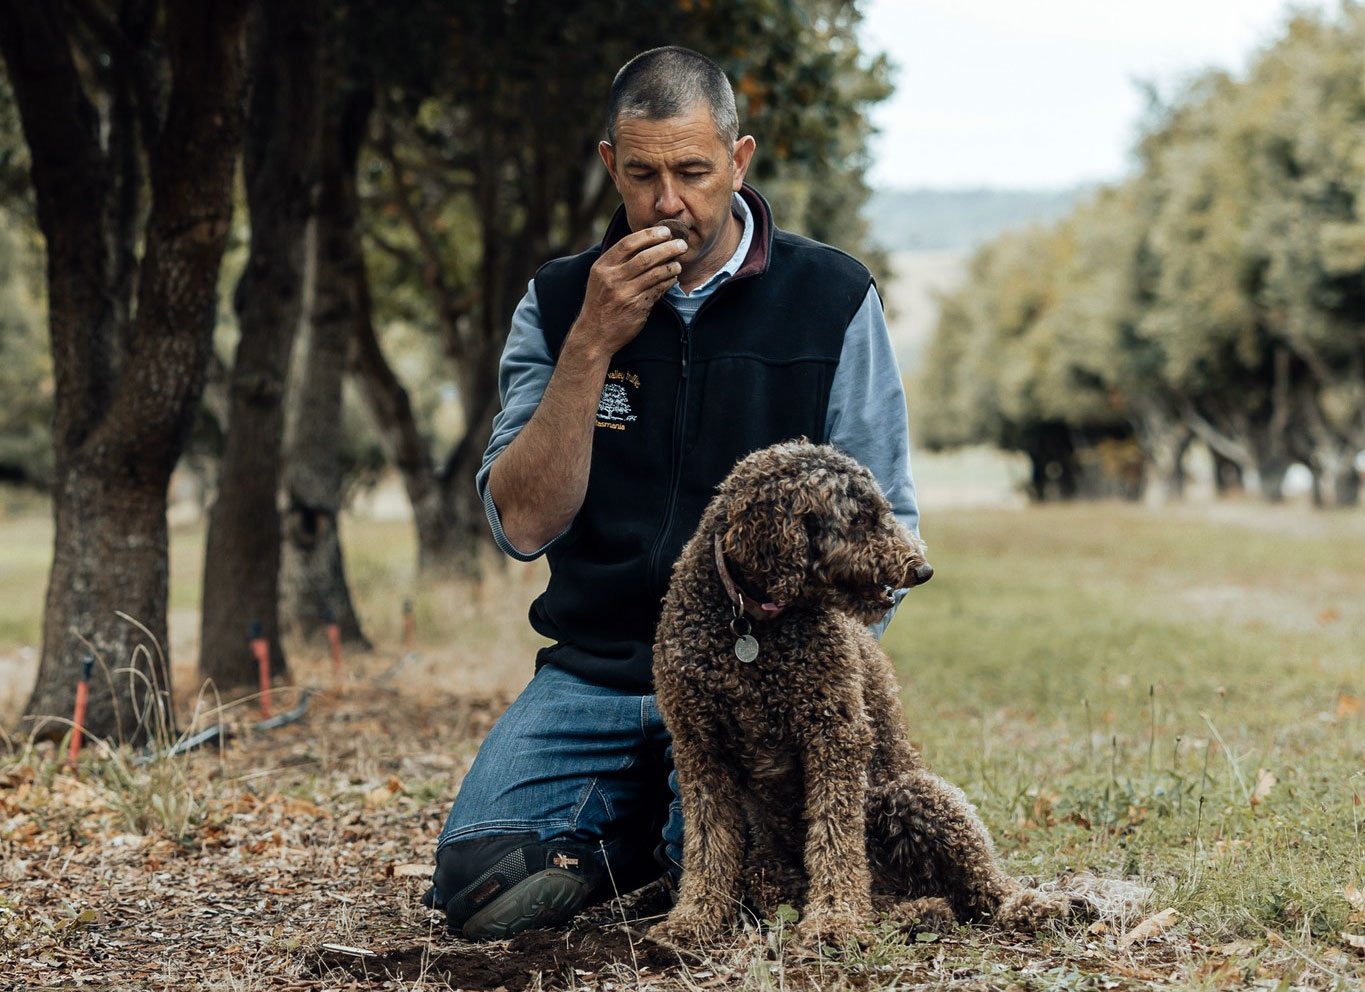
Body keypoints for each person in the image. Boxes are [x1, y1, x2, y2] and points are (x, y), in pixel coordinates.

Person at [424, 45, 919, 939]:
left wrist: (806, 681)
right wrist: (590, 345)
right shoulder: (558, 299)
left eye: (693, 172)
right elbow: (524, 523)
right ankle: (652, 843)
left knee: (751, 901)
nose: (666, 202)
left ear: (739, 159)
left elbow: (888, 527)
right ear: (610, 163)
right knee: (480, 887)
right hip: (599, 673)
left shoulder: (831, 296)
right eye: (642, 173)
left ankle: (669, 851)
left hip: (769, 675)